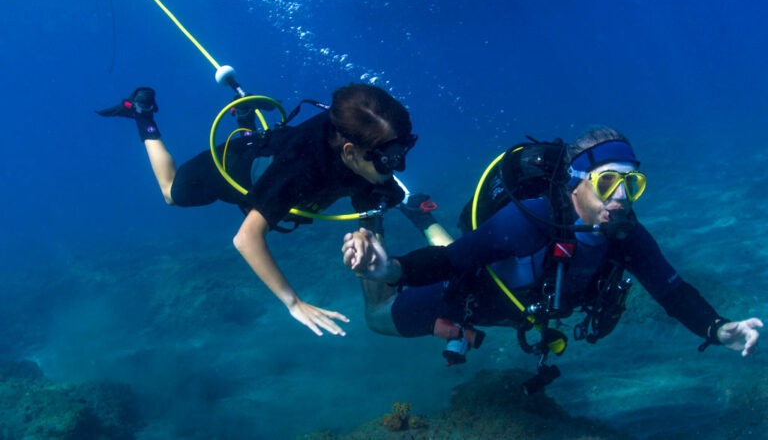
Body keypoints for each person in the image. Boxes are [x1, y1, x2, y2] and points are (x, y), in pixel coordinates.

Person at [342, 126, 762, 391]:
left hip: (523, 307)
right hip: (478, 295)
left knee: (457, 249)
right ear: (576, 186)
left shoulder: (626, 234)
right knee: (378, 316)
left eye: (631, 185)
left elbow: (673, 292)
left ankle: (418, 215)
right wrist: (389, 268)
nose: (620, 198)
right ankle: (370, 214)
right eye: (609, 182)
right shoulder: (531, 220)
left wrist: (719, 329)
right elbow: (453, 261)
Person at [97, 83, 427, 337]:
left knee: (373, 199)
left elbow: (372, 212)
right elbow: (246, 239)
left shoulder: (368, 139)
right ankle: (142, 114)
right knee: (171, 192)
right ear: (351, 151)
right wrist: (294, 303)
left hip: (287, 157)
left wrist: (371, 243)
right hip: (234, 166)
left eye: (404, 147)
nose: (398, 164)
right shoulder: (300, 170)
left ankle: (244, 119)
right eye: (388, 158)